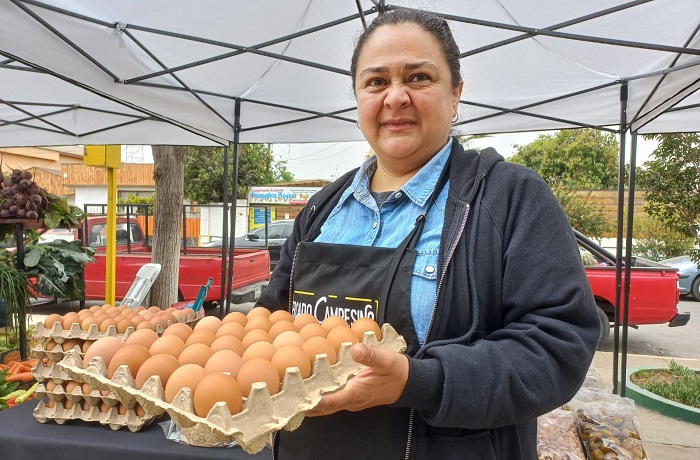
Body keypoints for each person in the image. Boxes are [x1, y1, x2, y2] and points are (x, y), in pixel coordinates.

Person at [257, 8, 600, 459]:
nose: (395, 97)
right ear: (358, 97)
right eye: (376, 82)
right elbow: (272, 319)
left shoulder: (510, 198)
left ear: (456, 94)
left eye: (418, 77)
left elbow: (558, 346)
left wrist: (421, 380)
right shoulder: (324, 208)